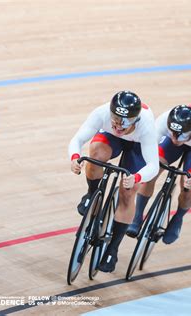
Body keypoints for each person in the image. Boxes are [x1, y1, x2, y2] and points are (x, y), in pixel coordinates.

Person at [68, 91, 159, 273]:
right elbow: (78, 139)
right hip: (112, 141)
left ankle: (113, 248)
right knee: (95, 155)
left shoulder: (147, 126)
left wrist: (137, 178)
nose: (118, 125)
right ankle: (92, 193)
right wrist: (75, 158)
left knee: (128, 191)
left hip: (137, 146)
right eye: (115, 119)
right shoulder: (101, 113)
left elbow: (153, 166)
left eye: (124, 122)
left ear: (135, 120)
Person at [126, 104, 191, 244]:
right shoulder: (163, 122)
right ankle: (137, 216)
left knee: (188, 186)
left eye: (182, 136)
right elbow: (148, 150)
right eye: (173, 133)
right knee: (153, 170)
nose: (176, 139)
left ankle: (178, 217)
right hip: (177, 137)